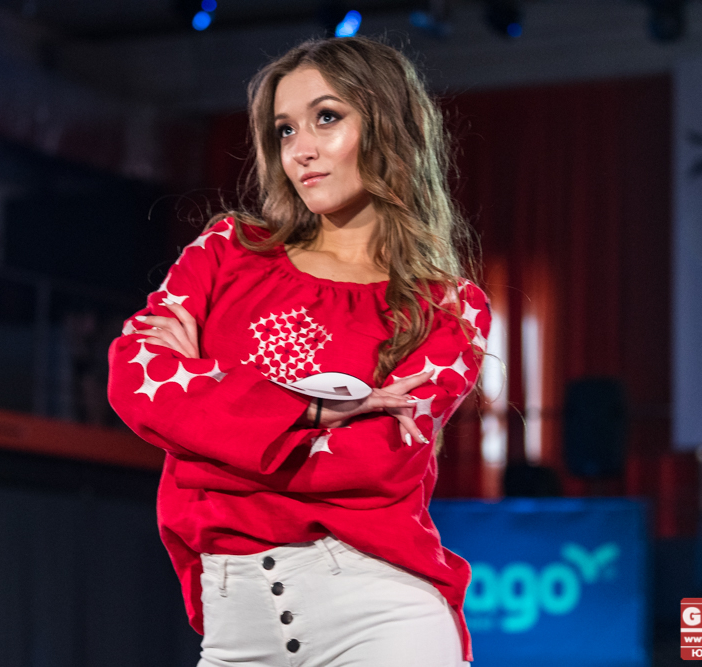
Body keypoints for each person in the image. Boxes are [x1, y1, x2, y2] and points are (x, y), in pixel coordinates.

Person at [108, 36, 491, 667]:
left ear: (388, 125)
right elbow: (135, 379)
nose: (300, 149)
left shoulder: (449, 308)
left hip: (381, 618)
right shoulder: (227, 251)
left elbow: (376, 463)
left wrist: (201, 432)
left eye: (327, 118)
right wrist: (312, 413)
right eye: (285, 129)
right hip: (235, 630)